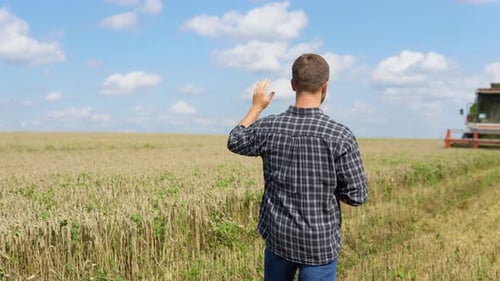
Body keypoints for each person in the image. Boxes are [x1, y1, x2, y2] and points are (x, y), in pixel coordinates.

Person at [227, 53, 368, 281]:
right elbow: (357, 196)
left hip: (278, 236)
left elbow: (235, 140)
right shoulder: (340, 135)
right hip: (319, 244)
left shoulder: (270, 127)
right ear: (325, 87)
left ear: (293, 85)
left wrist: (257, 107)